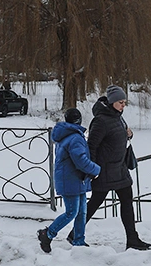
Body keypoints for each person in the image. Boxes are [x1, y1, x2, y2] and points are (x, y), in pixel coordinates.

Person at [86, 85, 151, 251]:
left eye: (124, 102)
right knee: (94, 203)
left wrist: (129, 134)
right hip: (105, 171)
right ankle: (75, 233)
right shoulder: (101, 120)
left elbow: (120, 135)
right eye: (120, 102)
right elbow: (92, 145)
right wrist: (92, 169)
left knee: (127, 202)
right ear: (112, 102)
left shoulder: (118, 117)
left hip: (120, 169)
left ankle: (133, 239)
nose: (123, 105)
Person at [38, 107, 100, 252]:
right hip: (71, 180)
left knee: (81, 212)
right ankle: (47, 234)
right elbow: (81, 160)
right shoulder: (75, 138)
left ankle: (79, 241)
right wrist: (96, 170)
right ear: (79, 120)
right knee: (71, 212)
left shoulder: (68, 135)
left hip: (76, 179)